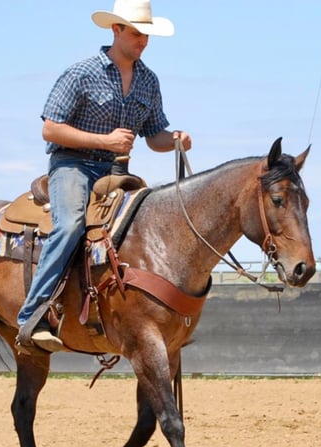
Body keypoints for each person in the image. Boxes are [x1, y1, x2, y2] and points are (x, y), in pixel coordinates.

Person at [16, 0, 192, 352]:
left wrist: (175, 141)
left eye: (147, 35)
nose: (143, 41)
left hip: (117, 171)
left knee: (149, 226)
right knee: (69, 225)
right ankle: (31, 315)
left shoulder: (148, 81)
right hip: (72, 166)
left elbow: (155, 134)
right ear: (116, 30)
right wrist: (105, 141)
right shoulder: (81, 73)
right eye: (137, 33)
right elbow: (50, 130)